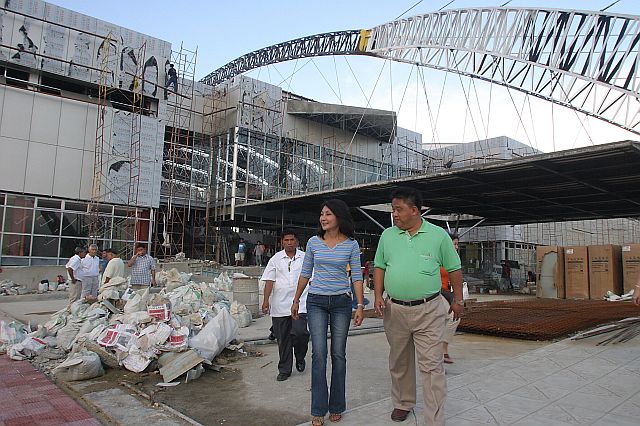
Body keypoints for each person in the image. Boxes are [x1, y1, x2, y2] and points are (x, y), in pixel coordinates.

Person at [373, 187, 463, 425]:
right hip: (396, 310)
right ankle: (403, 402)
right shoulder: (388, 236)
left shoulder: (438, 236)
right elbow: (380, 266)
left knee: (432, 364)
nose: (394, 214)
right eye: (393, 209)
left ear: (414, 210)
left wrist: (458, 299)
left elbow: (454, 268)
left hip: (429, 309)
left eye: (399, 209)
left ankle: (433, 418)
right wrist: (378, 295)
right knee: (399, 360)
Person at [292, 199, 365, 426]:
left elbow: (356, 277)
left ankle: (336, 406)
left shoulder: (351, 245)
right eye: (322, 214)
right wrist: (296, 299)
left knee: (338, 355)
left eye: (328, 214)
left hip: (342, 303)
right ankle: (318, 409)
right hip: (316, 302)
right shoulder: (314, 242)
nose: (323, 218)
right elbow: (305, 272)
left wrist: (360, 305)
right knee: (319, 354)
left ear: (339, 217)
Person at [261, 229, 309, 381]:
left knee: (301, 333)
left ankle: (300, 357)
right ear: (282, 242)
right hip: (280, 305)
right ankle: (284, 370)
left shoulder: (305, 258)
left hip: (301, 303)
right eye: (286, 240)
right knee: (283, 339)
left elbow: (311, 278)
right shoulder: (275, 259)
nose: (289, 243)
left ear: (297, 242)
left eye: (292, 240)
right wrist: (265, 300)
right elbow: (269, 280)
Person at [440, 232, 461, 365]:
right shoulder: (438, 255)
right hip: (437, 292)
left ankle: (443, 348)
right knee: (449, 315)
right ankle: (442, 350)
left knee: (455, 317)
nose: (457, 247)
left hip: (448, 293)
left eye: (457, 244)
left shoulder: (454, 258)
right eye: (455, 244)